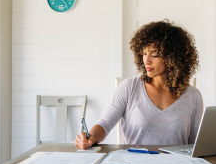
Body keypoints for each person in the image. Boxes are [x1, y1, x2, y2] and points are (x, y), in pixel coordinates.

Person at [75, 19, 203, 149]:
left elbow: (194, 143)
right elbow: (105, 124)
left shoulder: (193, 96)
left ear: (173, 57)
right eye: (144, 53)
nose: (146, 61)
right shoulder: (129, 87)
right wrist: (90, 137)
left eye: (155, 54)